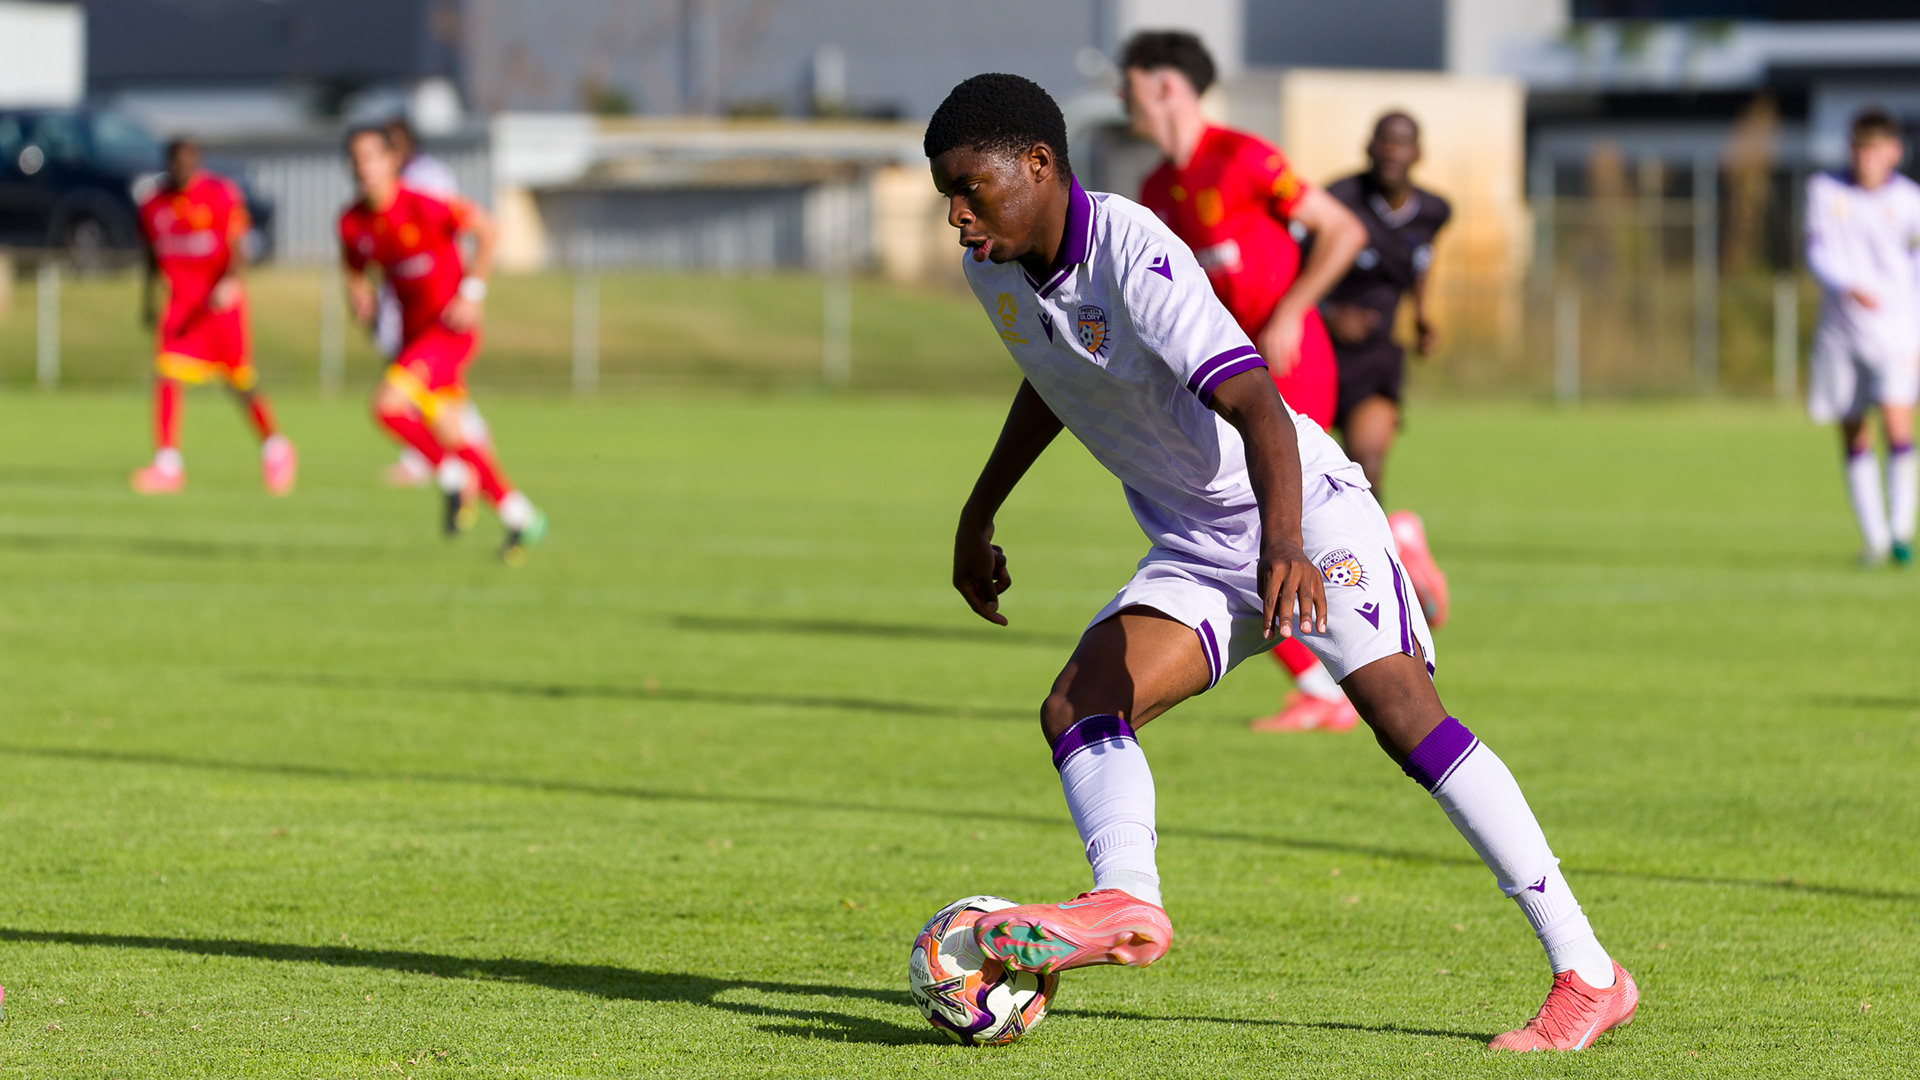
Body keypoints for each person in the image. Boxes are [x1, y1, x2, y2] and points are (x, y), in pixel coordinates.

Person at [926, 72, 1635, 1052]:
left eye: (970, 189)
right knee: (1079, 706)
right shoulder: (995, 269)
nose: (957, 216)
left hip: (1302, 510)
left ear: (1038, 165)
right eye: (946, 196)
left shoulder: (1133, 250)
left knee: (1403, 717)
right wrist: (979, 511)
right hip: (1194, 542)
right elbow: (1053, 378)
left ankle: (1589, 973)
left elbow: (1256, 398)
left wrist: (1285, 543)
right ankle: (1125, 900)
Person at [1121, 31, 1370, 734]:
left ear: (1165, 86)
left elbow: (1342, 230)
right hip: (1224, 387)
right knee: (1236, 531)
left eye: (1128, 83)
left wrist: (1291, 310)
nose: (1119, 97)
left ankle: (1335, 677)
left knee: (1259, 527)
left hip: (1288, 368)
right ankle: (1331, 666)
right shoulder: (1154, 191)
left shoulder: (1243, 157)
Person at [337, 126, 547, 563]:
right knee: (454, 433)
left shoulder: (424, 204)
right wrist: (358, 295)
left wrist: (472, 293)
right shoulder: (353, 221)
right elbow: (354, 268)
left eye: (372, 157)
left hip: (449, 330)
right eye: (357, 159)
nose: (365, 167)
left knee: (386, 406)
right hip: (414, 338)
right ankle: (521, 517)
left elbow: (489, 229)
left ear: (391, 161)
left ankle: (451, 475)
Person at [1322, 112, 1453, 621]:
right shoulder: (1338, 200)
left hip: (1376, 357)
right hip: (1318, 353)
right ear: (1370, 146)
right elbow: (1294, 264)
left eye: (1404, 143)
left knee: (1368, 468)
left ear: (1417, 153)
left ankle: (1382, 581)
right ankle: (1391, 544)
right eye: (1386, 141)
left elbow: (1421, 261)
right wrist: (1329, 313)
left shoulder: (1434, 210)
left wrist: (1422, 314)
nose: (1394, 151)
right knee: (1305, 478)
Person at [130, 138, 296, 496]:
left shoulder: (219, 194)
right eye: (176, 162)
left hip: (219, 306)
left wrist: (231, 281)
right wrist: (148, 301)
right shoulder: (154, 204)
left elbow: (239, 247)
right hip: (181, 306)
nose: (182, 168)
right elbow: (150, 256)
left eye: (188, 161)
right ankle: (168, 464)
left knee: (239, 382)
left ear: (198, 163)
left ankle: (276, 446)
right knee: (167, 372)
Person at [1805, 107, 1920, 567]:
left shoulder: (1910, 200)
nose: (1864, 158)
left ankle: (1902, 531)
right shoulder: (1825, 190)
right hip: (1840, 332)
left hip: (1895, 331)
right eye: (1858, 149)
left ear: (1893, 152)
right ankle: (1874, 538)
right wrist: (1847, 286)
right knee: (1853, 429)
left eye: (1874, 149)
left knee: (1897, 422)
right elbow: (1816, 250)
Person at [377, 116, 496, 490]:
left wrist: (470, 290)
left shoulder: (428, 178)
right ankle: (472, 466)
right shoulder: (380, 192)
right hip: (406, 299)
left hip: (440, 302)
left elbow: (469, 229)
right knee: (437, 392)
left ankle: (447, 463)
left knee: (403, 390)